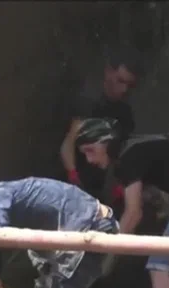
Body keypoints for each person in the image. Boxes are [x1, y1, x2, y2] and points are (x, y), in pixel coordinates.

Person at [76, 117, 169, 288]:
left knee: (160, 263)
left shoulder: (128, 157)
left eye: (90, 150)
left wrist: (107, 259)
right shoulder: (136, 147)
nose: (89, 160)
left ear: (107, 142)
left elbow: (133, 213)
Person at [60, 50, 141, 200]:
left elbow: (119, 156)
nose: (124, 89)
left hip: (100, 187)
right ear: (108, 72)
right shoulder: (89, 101)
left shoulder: (125, 113)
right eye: (120, 81)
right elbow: (68, 146)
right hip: (72, 184)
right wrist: (74, 179)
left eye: (129, 85)